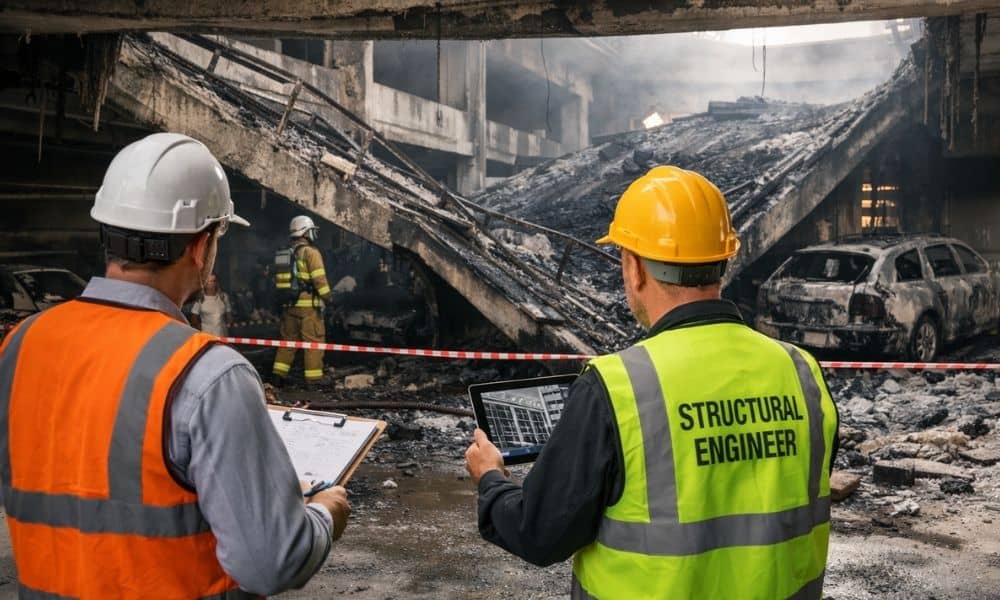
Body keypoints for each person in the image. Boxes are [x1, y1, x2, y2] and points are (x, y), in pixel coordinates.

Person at [0, 133, 350, 598]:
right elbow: (272, 563)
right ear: (200, 247)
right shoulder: (209, 374)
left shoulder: (20, 345)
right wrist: (324, 513)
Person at [465, 166, 839, 599]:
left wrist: (491, 479)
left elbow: (540, 532)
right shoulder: (801, 371)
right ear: (722, 261)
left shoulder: (617, 386)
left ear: (634, 268)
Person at [271, 215, 333, 387]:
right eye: (311, 231)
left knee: (287, 342)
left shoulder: (284, 253)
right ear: (305, 233)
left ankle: (278, 376)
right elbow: (320, 281)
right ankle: (314, 380)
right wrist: (329, 299)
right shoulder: (311, 253)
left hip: (289, 306)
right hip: (308, 309)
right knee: (314, 342)